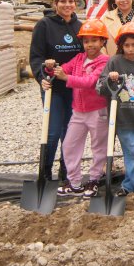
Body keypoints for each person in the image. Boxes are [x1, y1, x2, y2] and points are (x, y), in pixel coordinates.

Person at [43, 19, 110, 198]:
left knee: (99, 147)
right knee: (69, 145)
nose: (90, 45)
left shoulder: (104, 62)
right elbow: (63, 69)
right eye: (86, 41)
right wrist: (52, 69)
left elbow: (90, 82)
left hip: (98, 111)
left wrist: (66, 78)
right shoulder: (79, 59)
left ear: (103, 41)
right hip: (78, 112)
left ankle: (95, 179)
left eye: (95, 40)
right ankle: (74, 182)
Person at [29, 0, 83, 181]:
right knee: (52, 132)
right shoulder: (44, 25)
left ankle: (66, 170)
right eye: (63, 1)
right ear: (55, 3)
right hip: (53, 88)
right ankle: (45, 172)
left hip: (74, 88)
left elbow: (86, 56)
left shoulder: (80, 27)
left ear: (75, 4)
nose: (67, 5)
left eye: (71, 1)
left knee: (70, 133)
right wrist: (41, 75)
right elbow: (36, 57)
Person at [97, 22, 134, 196]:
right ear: (121, 46)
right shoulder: (114, 62)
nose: (130, 49)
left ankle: (130, 185)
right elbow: (100, 88)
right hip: (122, 120)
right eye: (127, 45)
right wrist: (110, 79)